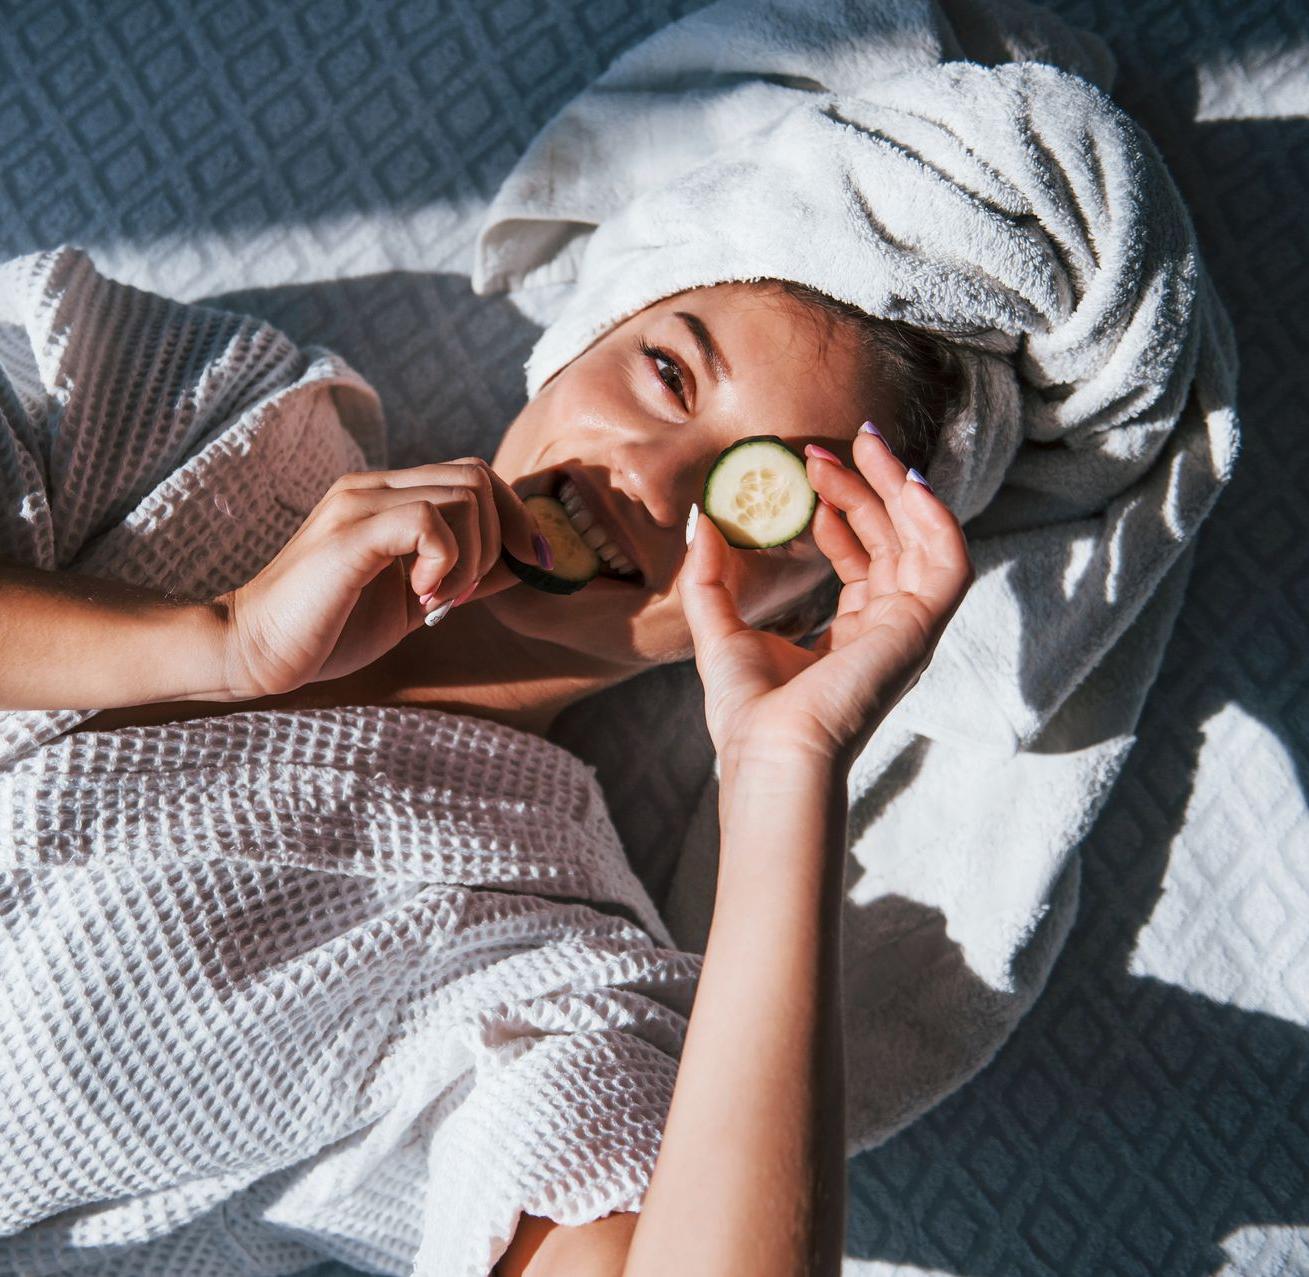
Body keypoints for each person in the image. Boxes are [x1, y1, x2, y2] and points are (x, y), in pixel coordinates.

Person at [0, 273, 974, 1274]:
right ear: (584, 341)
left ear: (782, 618)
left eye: (752, 500)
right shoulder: (210, 410)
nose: (650, 477)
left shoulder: (543, 964)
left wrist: (785, 772)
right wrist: (216, 641)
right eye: (667, 372)